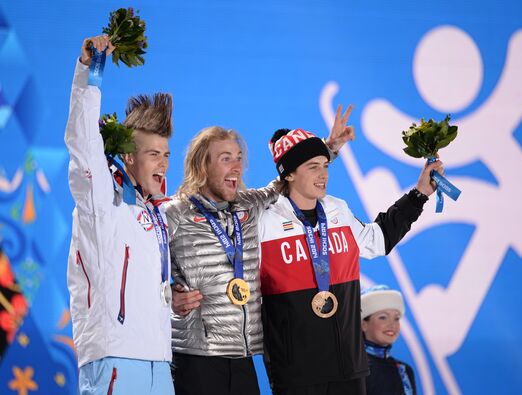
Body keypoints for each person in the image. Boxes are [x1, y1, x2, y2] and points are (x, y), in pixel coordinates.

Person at [166, 109, 353, 395]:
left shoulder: (249, 204)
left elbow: (287, 180)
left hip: (243, 358)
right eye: (226, 158)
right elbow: (140, 272)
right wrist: (168, 297)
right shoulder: (174, 213)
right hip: (195, 358)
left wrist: (328, 148)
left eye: (239, 158)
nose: (237, 166)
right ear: (201, 165)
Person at [258, 127, 443, 394]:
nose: (323, 174)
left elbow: (377, 240)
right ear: (288, 173)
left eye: (325, 165)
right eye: (313, 167)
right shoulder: (265, 220)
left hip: (348, 365)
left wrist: (419, 194)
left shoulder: (337, 210)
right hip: (296, 370)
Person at [65, 35, 174, 394]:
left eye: (166, 154)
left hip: (160, 362)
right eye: (153, 154)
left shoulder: (154, 214)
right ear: (128, 157)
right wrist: (89, 73)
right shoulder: (102, 201)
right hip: (114, 358)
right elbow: (83, 144)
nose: (163, 163)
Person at [360, 285, 416, 395]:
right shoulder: (354, 370)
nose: (392, 324)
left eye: (396, 318)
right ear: (363, 324)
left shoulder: (404, 371)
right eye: (383, 317)